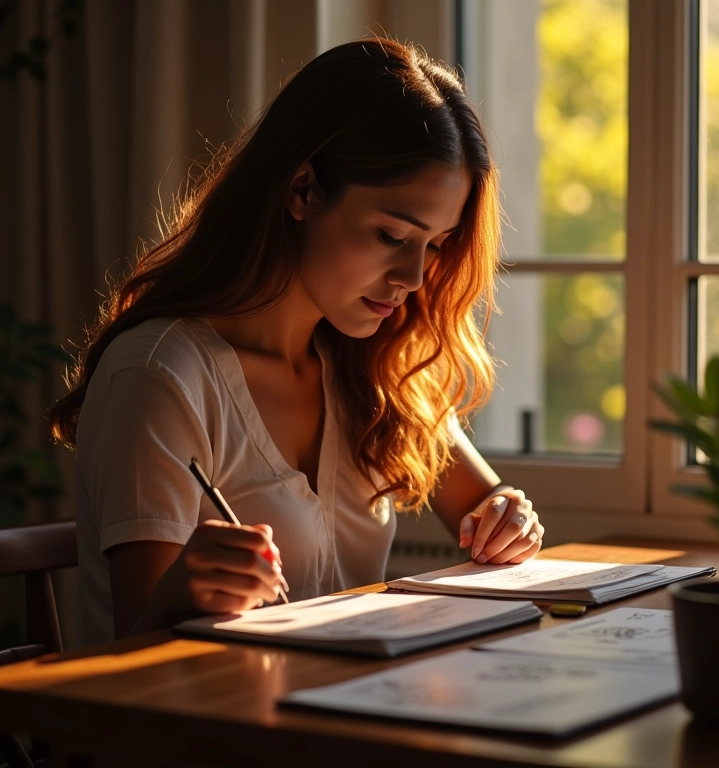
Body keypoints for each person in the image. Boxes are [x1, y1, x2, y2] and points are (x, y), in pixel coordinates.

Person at [49, 38, 544, 646]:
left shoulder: (371, 362)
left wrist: (509, 516)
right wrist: (182, 594)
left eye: (436, 245)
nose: (415, 277)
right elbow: (133, 650)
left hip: (344, 699)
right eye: (392, 236)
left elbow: (488, 502)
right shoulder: (159, 375)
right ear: (303, 190)